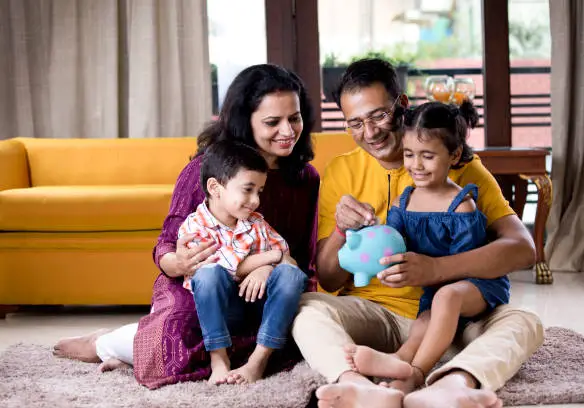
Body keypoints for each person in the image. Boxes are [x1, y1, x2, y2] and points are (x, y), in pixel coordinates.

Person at [290, 58, 543, 408]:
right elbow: (330, 279)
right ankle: (358, 385)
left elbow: (522, 249)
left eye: (378, 115)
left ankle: (454, 383)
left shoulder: (457, 166)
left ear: (403, 105)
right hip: (372, 312)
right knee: (306, 307)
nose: (371, 132)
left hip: (452, 319)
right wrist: (339, 233)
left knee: (524, 321)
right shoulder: (342, 171)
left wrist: (436, 270)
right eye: (356, 123)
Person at [53, 64, 320, 389]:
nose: (288, 130)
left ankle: (130, 346)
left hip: (266, 288)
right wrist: (179, 262)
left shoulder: (306, 179)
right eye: (272, 122)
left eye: (294, 118)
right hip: (200, 286)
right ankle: (108, 344)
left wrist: (274, 270)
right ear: (244, 121)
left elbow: (302, 260)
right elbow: (166, 247)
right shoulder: (204, 171)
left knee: (295, 335)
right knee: (180, 336)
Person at [344, 100, 511, 393]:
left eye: (427, 156)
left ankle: (417, 374)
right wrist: (370, 238)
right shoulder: (404, 202)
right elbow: (391, 244)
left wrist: (430, 274)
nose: (416, 165)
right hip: (435, 290)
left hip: (476, 286)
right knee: (422, 323)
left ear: (454, 154)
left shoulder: (461, 206)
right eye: (409, 154)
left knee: (445, 299)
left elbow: (467, 265)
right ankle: (399, 361)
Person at [178, 141, 307, 385]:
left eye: (259, 191)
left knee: (291, 276)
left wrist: (267, 268)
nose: (256, 200)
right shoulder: (195, 227)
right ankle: (219, 360)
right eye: (247, 190)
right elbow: (220, 266)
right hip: (223, 310)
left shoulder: (256, 223)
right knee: (208, 275)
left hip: (260, 307)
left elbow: (289, 261)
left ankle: (258, 361)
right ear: (215, 187)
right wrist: (269, 258)